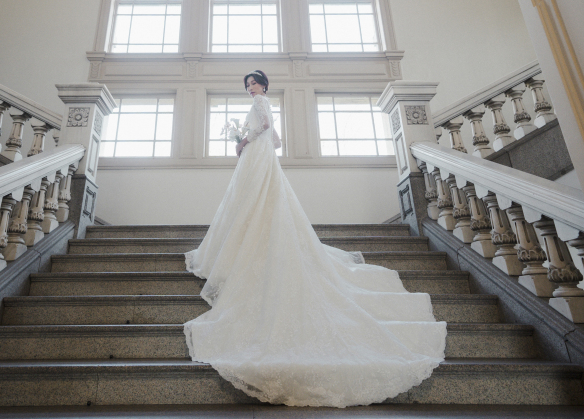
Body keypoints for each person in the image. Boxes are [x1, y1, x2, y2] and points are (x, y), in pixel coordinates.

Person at [184, 70, 446, 408]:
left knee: (252, 199)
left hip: (257, 155)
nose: (250, 88)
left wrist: (244, 141)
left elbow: (266, 128)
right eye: (247, 85)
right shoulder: (262, 103)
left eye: (254, 83)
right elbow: (277, 140)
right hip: (264, 157)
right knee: (260, 200)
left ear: (264, 85)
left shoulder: (261, 102)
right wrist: (252, 140)